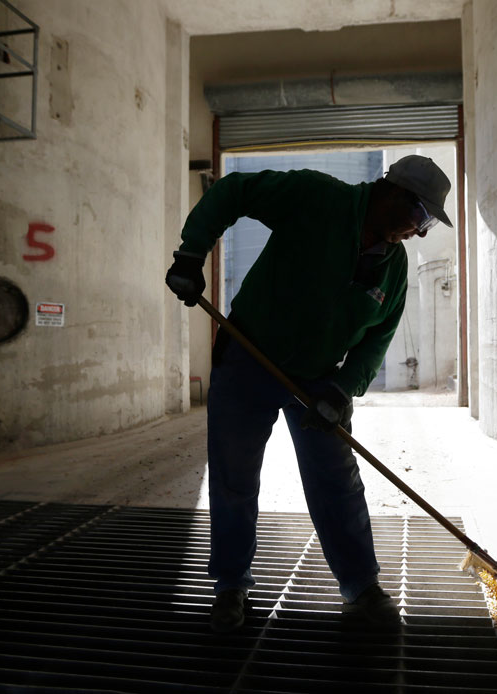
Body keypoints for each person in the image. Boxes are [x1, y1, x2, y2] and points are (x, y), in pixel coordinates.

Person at [165, 155, 452, 633]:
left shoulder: (393, 268)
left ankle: (361, 586)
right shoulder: (317, 198)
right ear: (393, 193)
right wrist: (191, 254)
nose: (420, 231)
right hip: (248, 359)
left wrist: (343, 390)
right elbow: (233, 191)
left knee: (336, 481)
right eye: (421, 216)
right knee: (234, 479)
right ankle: (231, 586)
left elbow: (376, 339)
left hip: (319, 378)